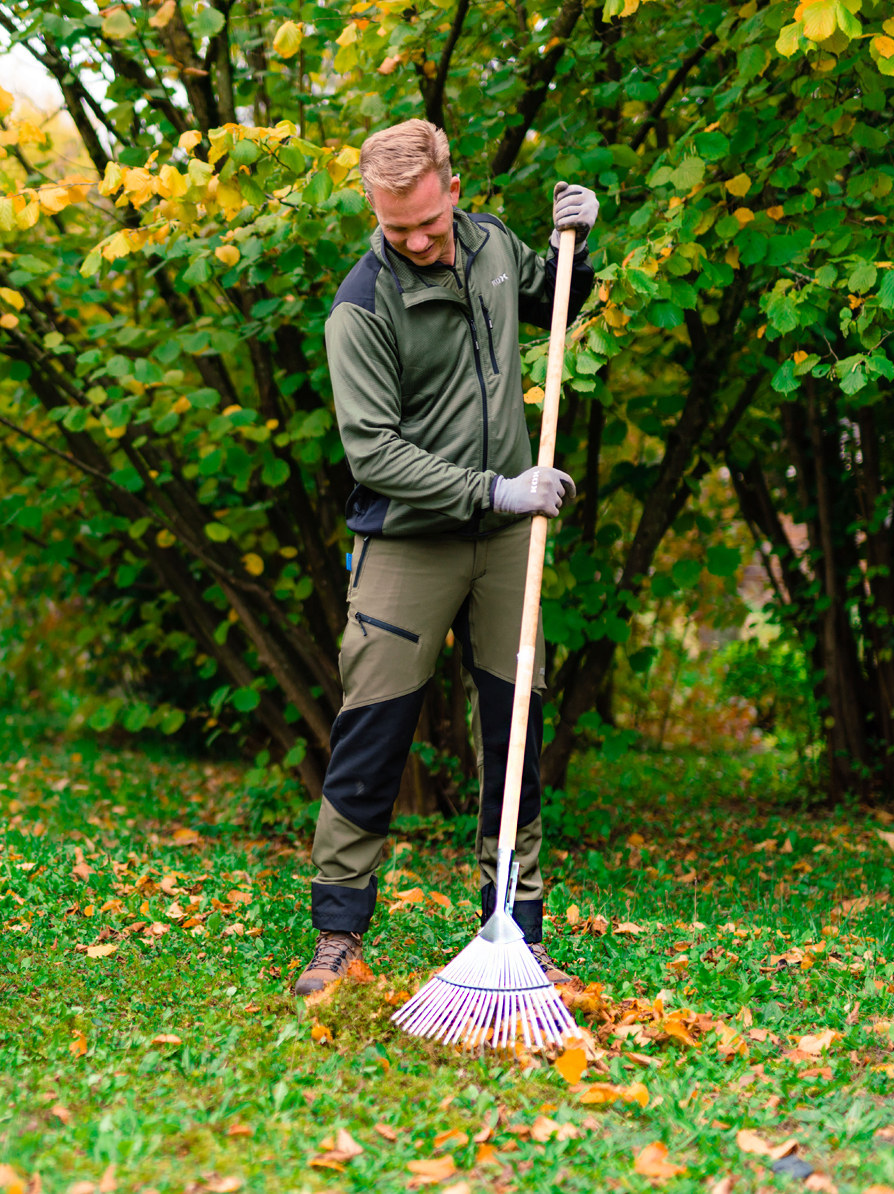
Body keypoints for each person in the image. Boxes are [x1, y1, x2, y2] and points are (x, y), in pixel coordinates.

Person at [294, 118, 598, 996]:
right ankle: (338, 936)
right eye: (398, 231)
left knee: (514, 734)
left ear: (452, 188)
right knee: (373, 731)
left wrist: (581, 241)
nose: (420, 242)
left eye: (429, 222)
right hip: (407, 541)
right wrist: (496, 490)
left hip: (506, 546)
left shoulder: (495, 245)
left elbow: (560, 297)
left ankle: (516, 926)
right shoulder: (361, 306)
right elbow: (374, 455)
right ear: (374, 212)